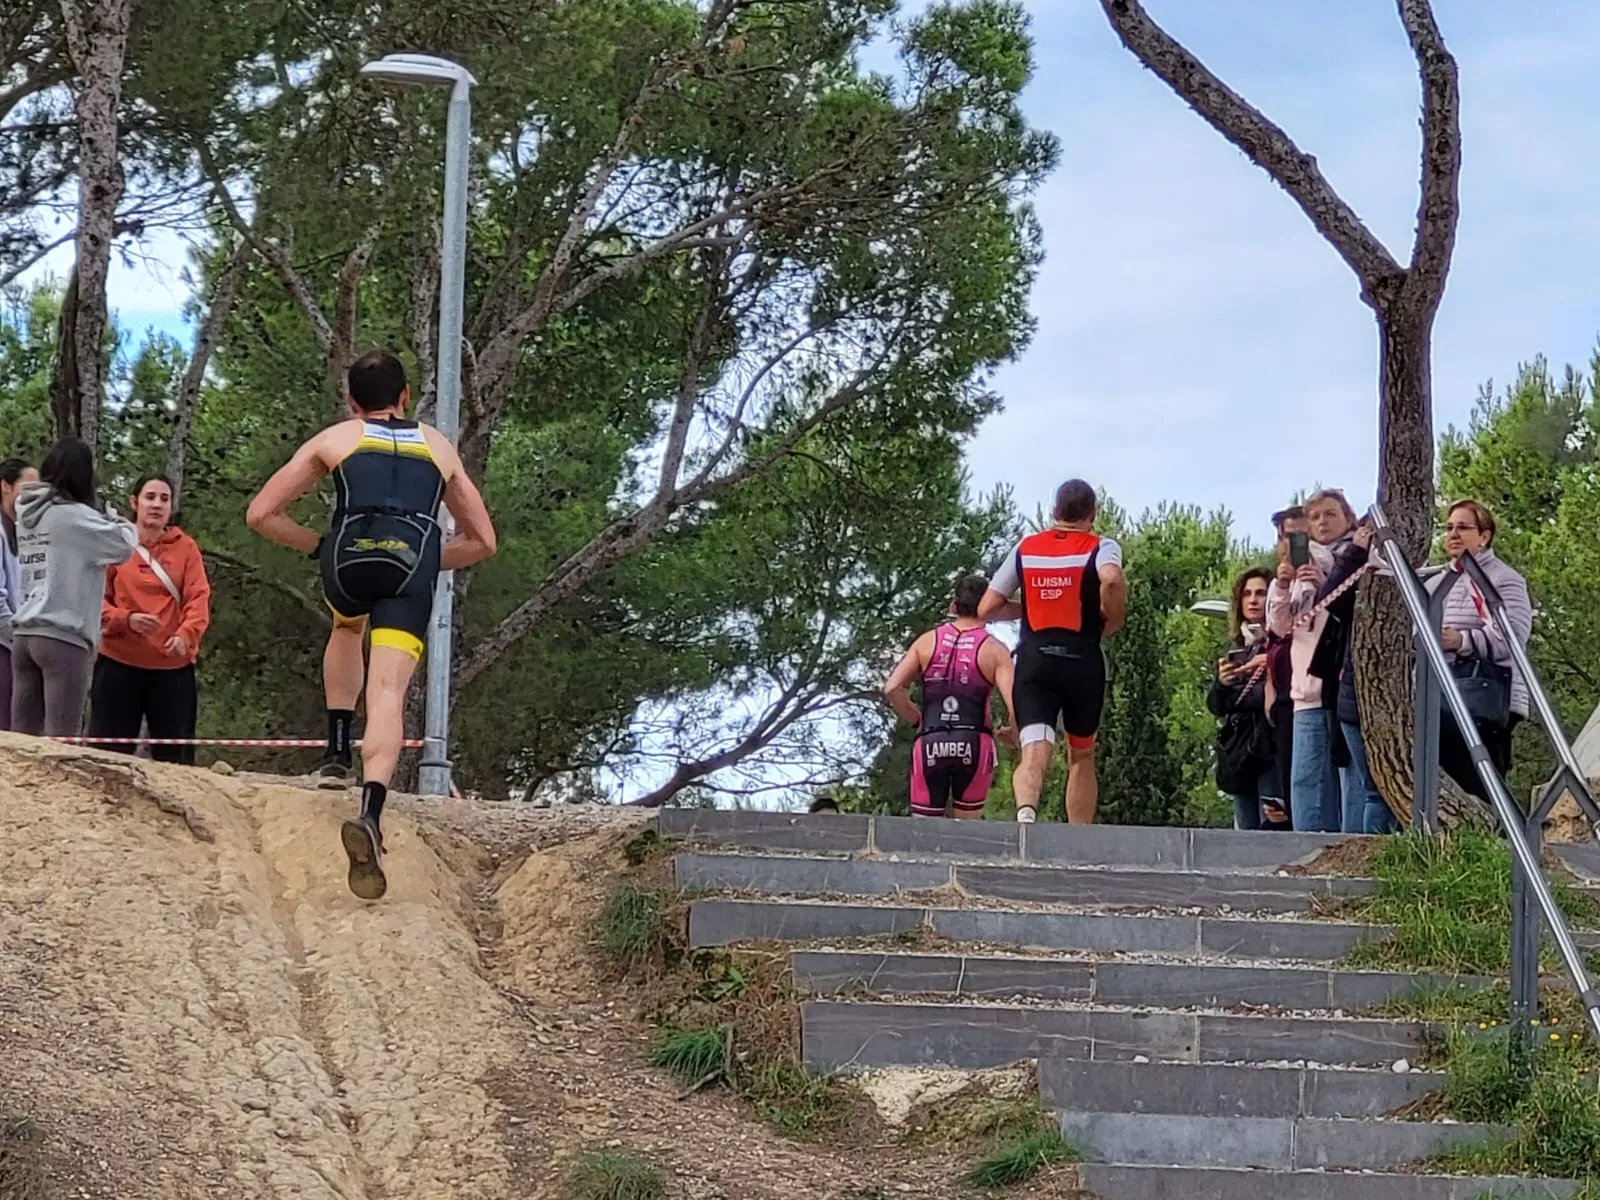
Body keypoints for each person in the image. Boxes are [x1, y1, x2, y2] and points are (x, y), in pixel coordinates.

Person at [246, 349, 497, 900]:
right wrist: (426, 561)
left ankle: (335, 752)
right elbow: (483, 540)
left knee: (346, 628)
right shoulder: (438, 446)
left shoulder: (335, 438)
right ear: (406, 397)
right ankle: (372, 812)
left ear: (352, 402)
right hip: (409, 566)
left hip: (347, 561)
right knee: (388, 693)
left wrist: (320, 547)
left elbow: (262, 513)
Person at [977, 480, 1126, 824]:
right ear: (1092, 514)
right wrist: (1113, 616)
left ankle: (1026, 816)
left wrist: (1029, 608)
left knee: (1035, 746)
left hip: (1035, 660)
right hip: (1082, 660)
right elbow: (1112, 579)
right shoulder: (1101, 545)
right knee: (1082, 753)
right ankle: (1078, 837)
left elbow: (986, 608)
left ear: (1055, 512)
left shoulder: (1026, 548)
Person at [10, 438, 136, 737]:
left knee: (20, 741)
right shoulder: (75, 518)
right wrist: (112, 515)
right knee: (60, 739)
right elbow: (126, 544)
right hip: (63, 637)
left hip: (24, 634)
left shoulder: (26, 515)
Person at [88, 474, 212, 765]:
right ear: (135, 502)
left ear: (171, 507)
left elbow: (199, 598)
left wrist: (185, 635)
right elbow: (94, 599)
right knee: (107, 760)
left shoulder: (186, 548)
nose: (156, 505)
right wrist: (125, 619)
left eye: (164, 499)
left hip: (173, 668)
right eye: (150, 497)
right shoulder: (115, 544)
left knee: (176, 763)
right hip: (118, 663)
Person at [883, 575, 1019, 819]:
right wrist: (1013, 732)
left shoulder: (926, 642)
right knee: (965, 834)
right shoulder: (995, 650)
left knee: (922, 830)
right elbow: (1015, 705)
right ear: (987, 607)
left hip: (930, 739)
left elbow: (892, 688)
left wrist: (918, 720)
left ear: (953, 607)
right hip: (974, 741)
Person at [1267, 489, 1356, 833]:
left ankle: (1346, 848)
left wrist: (1325, 584)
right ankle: (1308, 850)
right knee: (1304, 779)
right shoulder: (1304, 561)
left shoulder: (1354, 557)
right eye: (1315, 517)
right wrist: (1282, 585)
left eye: (1330, 515)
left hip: (1340, 682)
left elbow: (1344, 607)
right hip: (1305, 687)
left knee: (1344, 776)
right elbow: (1281, 626)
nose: (1322, 523)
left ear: (1348, 518)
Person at [1431, 499, 1531, 800]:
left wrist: (1459, 641)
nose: (1453, 534)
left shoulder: (1505, 579)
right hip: (1442, 698)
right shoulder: (1438, 581)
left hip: (1487, 701)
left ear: (1485, 536)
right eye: (1449, 528)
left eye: (1463, 527)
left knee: (1482, 789)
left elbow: (1512, 638)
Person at [1208, 568, 1281, 831]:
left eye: (1261, 593)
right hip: (1240, 751)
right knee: (1244, 829)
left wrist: (1238, 691)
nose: (1253, 600)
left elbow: (1269, 694)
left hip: (1270, 747)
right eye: (1247, 594)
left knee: (1272, 823)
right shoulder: (1238, 646)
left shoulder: (1281, 642)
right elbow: (1216, 706)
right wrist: (1223, 683)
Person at [1, 458, 40, 731]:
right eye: (27, 489)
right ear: (5, 486)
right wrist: (19, 640)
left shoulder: (24, 532)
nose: (32, 498)